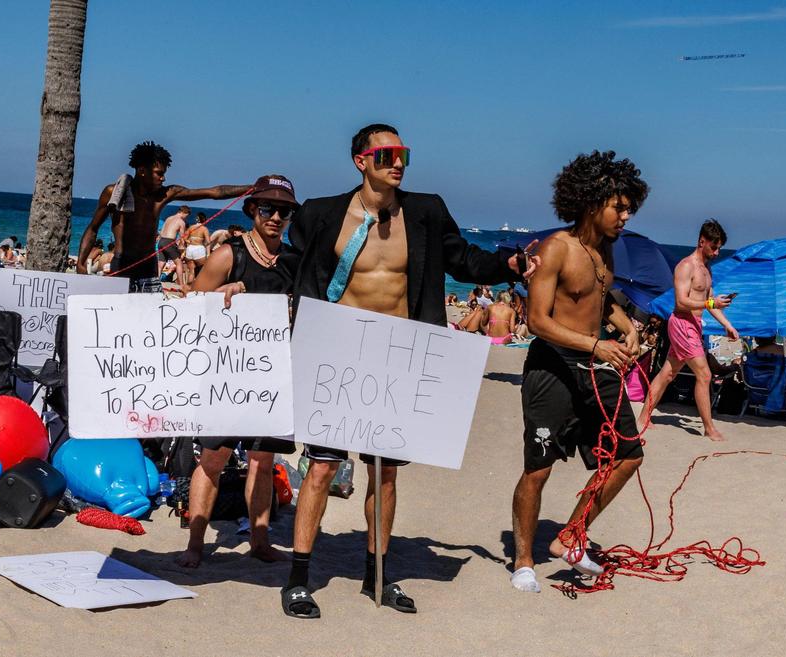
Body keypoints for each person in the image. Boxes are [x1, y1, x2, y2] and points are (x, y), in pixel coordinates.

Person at [278, 123, 536, 618]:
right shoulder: (321, 213)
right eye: (386, 154)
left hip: (399, 361)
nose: (397, 162)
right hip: (339, 357)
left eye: (404, 154)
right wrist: (242, 285)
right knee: (322, 469)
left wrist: (511, 263)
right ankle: (298, 578)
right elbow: (290, 265)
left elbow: (464, 260)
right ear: (361, 161)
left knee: (387, 473)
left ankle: (378, 576)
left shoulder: (424, 211)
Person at [509, 149, 648, 594]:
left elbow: (599, 300)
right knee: (539, 468)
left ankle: (570, 535)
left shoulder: (605, 250)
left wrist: (626, 328)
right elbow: (538, 320)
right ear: (593, 203)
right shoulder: (556, 249)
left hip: (597, 364)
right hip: (552, 367)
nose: (625, 216)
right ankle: (523, 559)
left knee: (628, 455)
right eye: (619, 207)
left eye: (629, 208)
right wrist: (596, 344)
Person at [177, 174, 300, 569]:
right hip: (226, 373)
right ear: (251, 211)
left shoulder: (294, 261)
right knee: (214, 458)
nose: (276, 217)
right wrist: (221, 294)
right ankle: (196, 543)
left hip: (273, 374)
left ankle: (259, 540)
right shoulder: (229, 255)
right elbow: (190, 304)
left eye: (284, 211)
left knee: (264, 461)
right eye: (268, 208)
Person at [75, 141, 251, 293]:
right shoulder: (113, 193)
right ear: (142, 170)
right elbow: (93, 228)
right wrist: (81, 263)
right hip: (122, 264)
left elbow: (214, 192)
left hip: (149, 264)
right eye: (159, 173)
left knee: (149, 316)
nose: (163, 178)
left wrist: (252, 188)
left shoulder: (164, 195)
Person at [638, 220, 738, 441]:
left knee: (668, 373)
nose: (717, 252)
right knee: (704, 374)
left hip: (693, 326)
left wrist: (727, 325)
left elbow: (709, 301)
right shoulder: (686, 266)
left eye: (719, 247)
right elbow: (681, 302)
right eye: (714, 247)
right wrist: (711, 305)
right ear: (702, 241)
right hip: (682, 324)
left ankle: (644, 416)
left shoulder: (706, 269)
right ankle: (709, 428)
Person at [156, 205, 190, 290]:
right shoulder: (181, 222)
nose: (186, 217)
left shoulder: (168, 218)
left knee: (161, 263)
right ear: (183, 212)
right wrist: (186, 243)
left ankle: (156, 281)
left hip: (161, 241)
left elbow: (162, 231)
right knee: (179, 263)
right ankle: (181, 285)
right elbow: (182, 236)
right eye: (187, 215)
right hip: (169, 242)